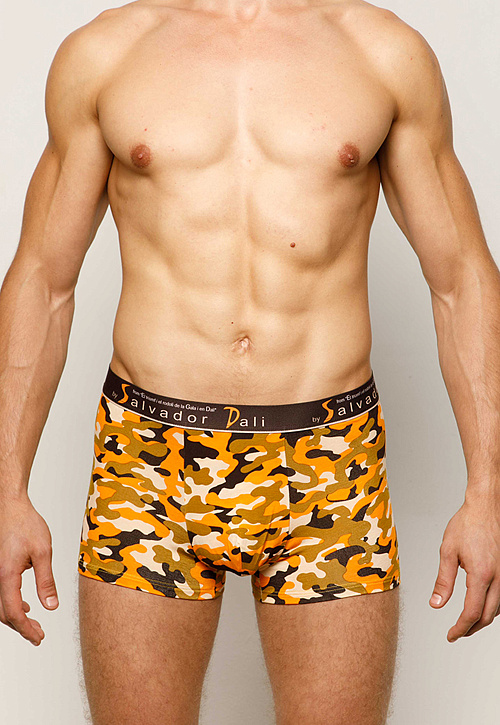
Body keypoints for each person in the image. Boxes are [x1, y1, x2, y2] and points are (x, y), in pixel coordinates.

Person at [1, 1, 499, 723]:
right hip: (149, 464)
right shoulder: (108, 54)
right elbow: (42, 280)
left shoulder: (383, 53)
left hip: (330, 467)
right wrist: (6, 488)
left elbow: (462, 279)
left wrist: (489, 491)